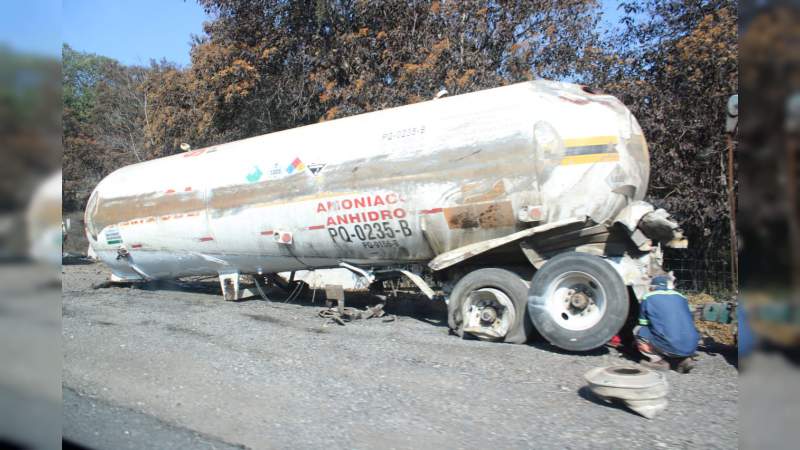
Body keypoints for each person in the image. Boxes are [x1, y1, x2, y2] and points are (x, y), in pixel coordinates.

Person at [635, 275, 700, 373]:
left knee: (638, 330)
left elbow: (643, 323)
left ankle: (657, 360)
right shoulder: (681, 297)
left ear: (652, 287)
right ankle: (684, 358)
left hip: (670, 342)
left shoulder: (648, 297)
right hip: (692, 344)